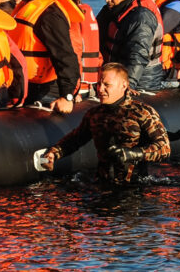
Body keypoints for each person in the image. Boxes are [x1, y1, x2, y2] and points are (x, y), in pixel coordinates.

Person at [41, 63, 171, 183]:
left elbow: (164, 148)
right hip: (102, 184)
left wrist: (133, 154)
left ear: (124, 85)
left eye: (107, 85)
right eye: (99, 84)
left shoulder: (142, 112)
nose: (100, 89)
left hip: (135, 187)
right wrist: (53, 153)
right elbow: (75, 139)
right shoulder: (95, 114)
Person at [8, 0, 82, 113]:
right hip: (26, 87)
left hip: (45, 91)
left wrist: (67, 96)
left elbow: (65, 55)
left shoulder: (49, 13)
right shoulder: (27, 6)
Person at [96, 0, 165, 91]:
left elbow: (138, 55)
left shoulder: (142, 17)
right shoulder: (111, 11)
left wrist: (128, 86)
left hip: (142, 83)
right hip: (115, 77)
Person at [51, 0, 101, 98]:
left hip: (76, 87)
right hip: (90, 85)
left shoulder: (70, 17)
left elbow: (75, 52)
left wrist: (73, 90)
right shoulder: (87, 12)